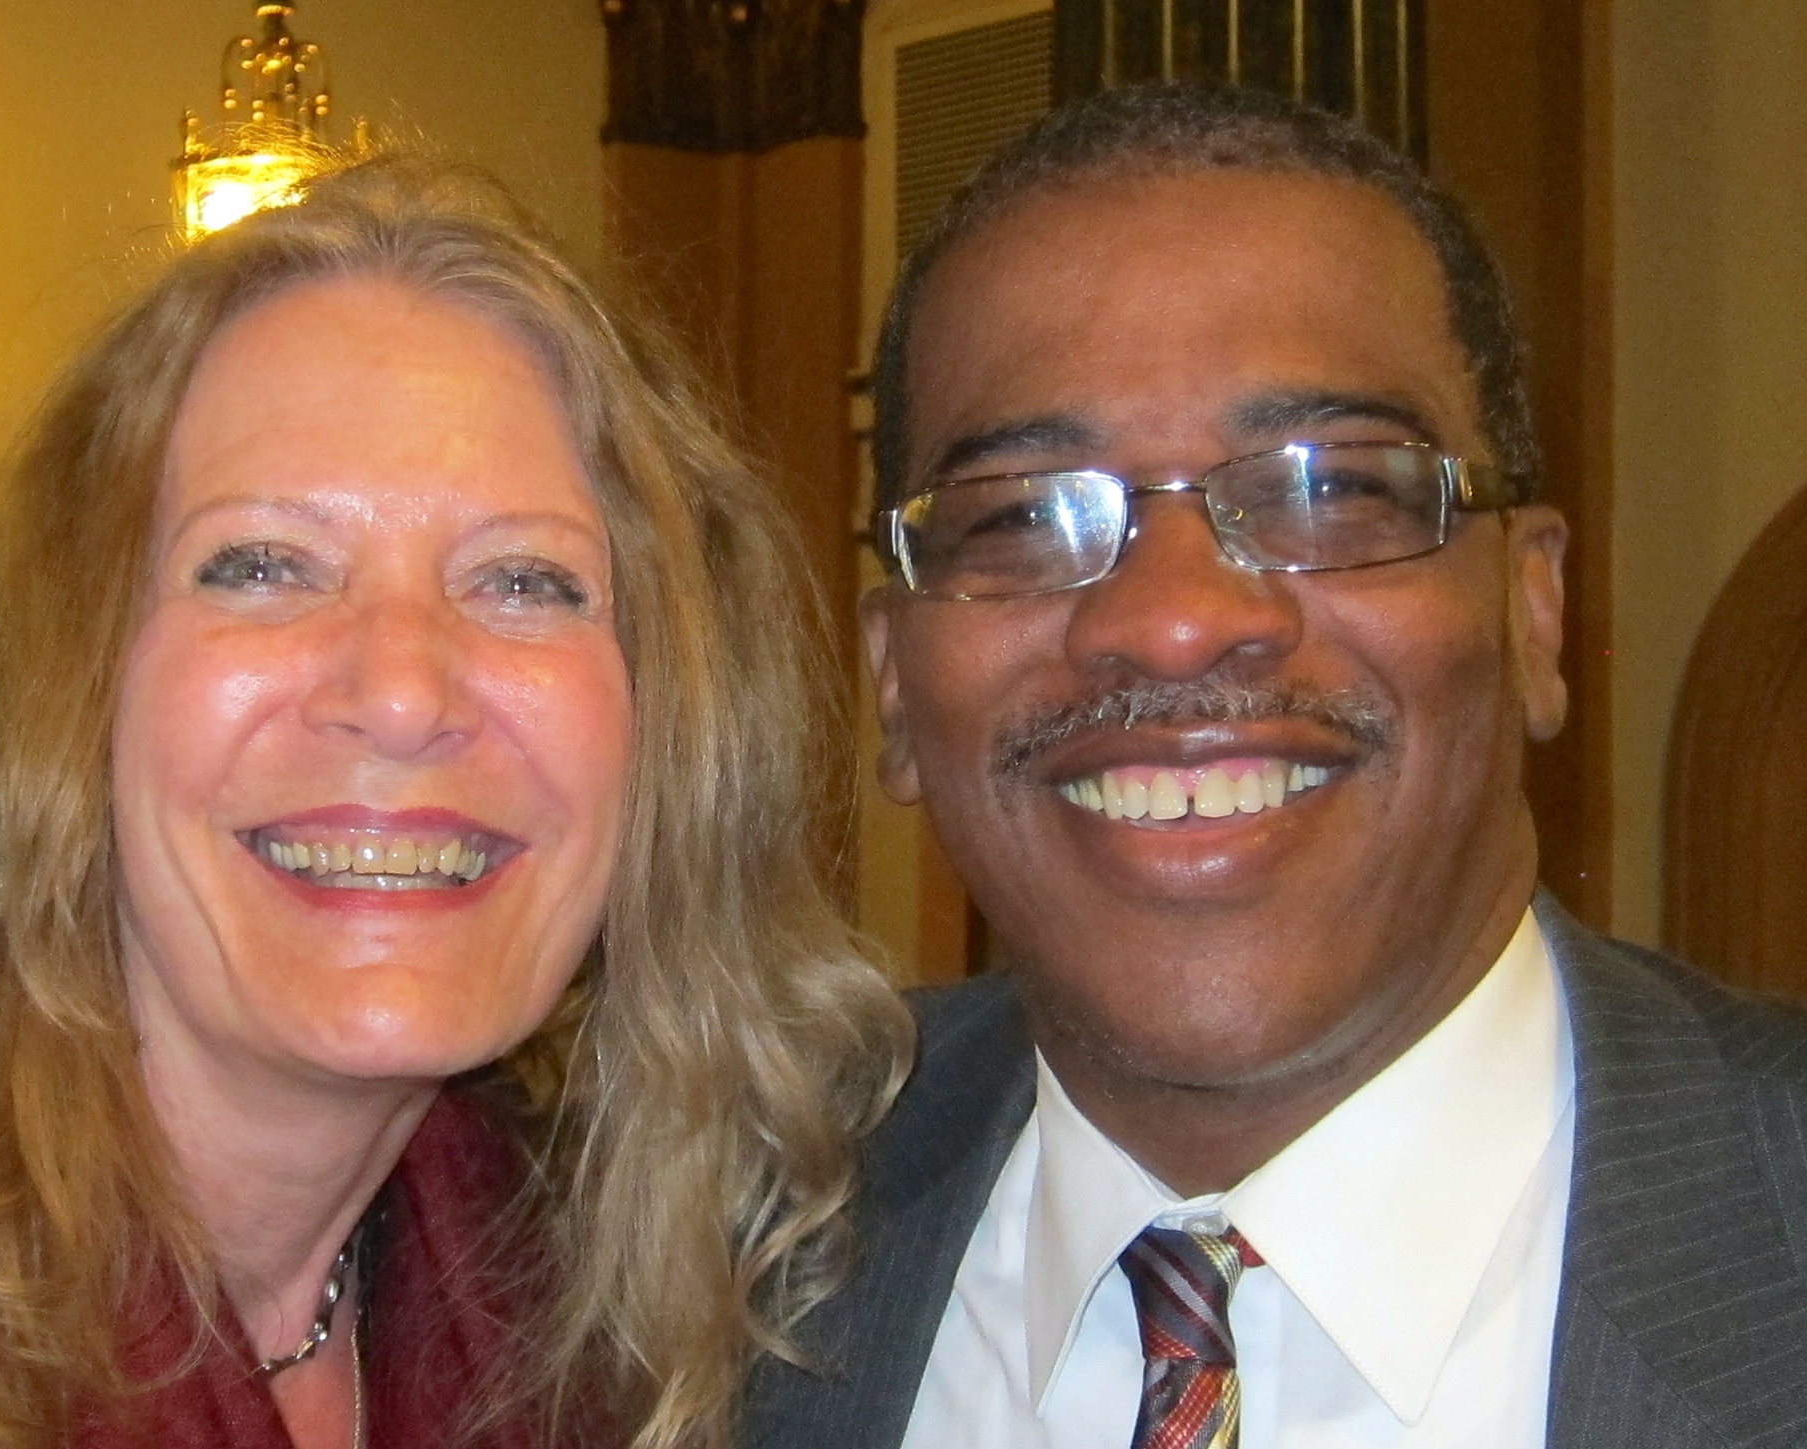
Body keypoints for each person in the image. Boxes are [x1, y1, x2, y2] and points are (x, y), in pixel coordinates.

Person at [0, 154, 910, 1449]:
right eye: (264, 565)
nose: (401, 694)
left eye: (524, 582)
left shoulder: (594, 1331)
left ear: (661, 729)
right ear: (70, 689)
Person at [741, 84, 1807, 1449]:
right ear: (894, 680)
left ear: (1531, 613)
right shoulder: (696, 1245)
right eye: (1023, 517)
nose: (1173, 621)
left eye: (1328, 488)